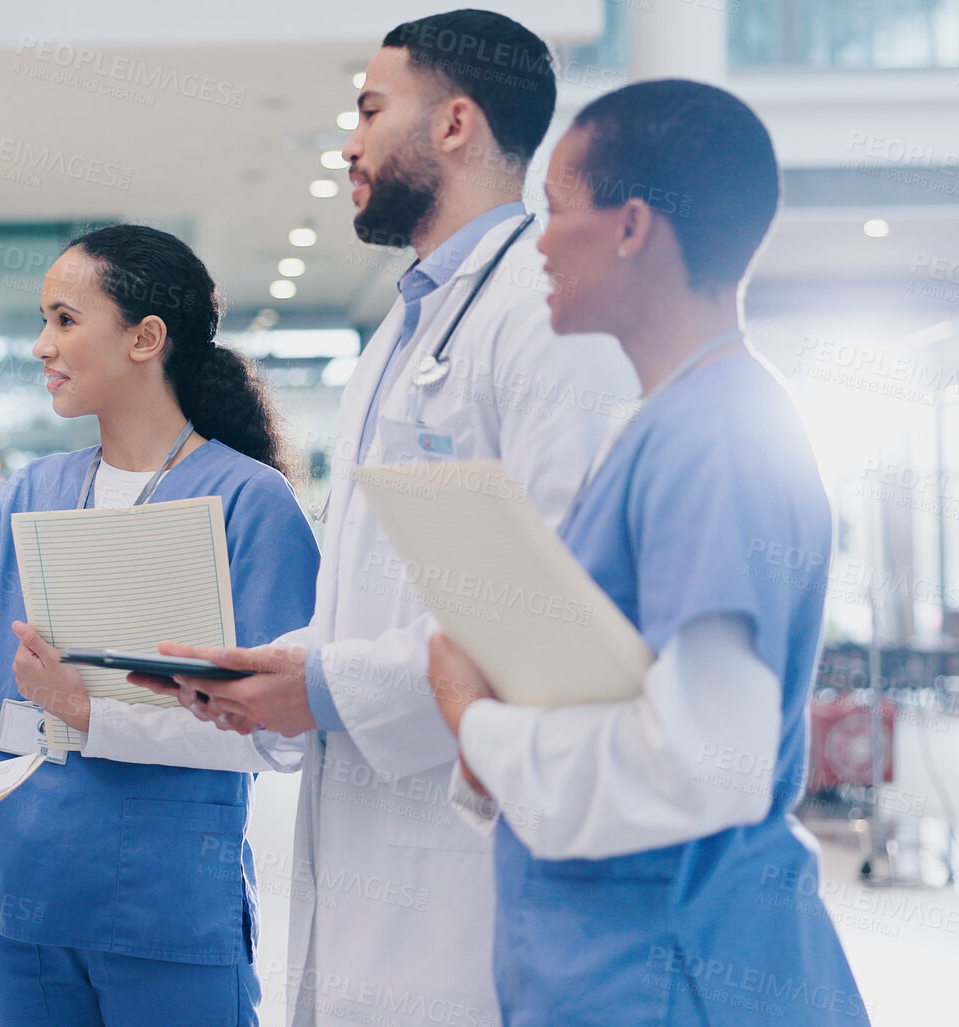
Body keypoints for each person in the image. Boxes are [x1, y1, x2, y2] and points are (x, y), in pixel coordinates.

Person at [133, 10, 638, 1026]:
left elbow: (553, 607)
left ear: (455, 124)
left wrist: (325, 682)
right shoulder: (402, 333)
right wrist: (266, 673)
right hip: (366, 829)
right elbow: (374, 591)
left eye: (369, 110)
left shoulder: (549, 320)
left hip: (468, 864)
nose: (348, 143)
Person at [425, 80, 870, 1026]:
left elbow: (701, 764)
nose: (536, 241)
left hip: (682, 975)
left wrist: (473, 718)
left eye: (554, 210)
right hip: (632, 971)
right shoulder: (668, 424)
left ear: (630, 227)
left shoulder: (717, 437)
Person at [0, 224, 319, 1026]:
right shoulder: (28, 494)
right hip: (24, 902)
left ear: (145, 338)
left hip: (167, 907)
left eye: (65, 319)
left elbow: (275, 736)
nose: (41, 344)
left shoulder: (251, 502)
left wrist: (87, 713)